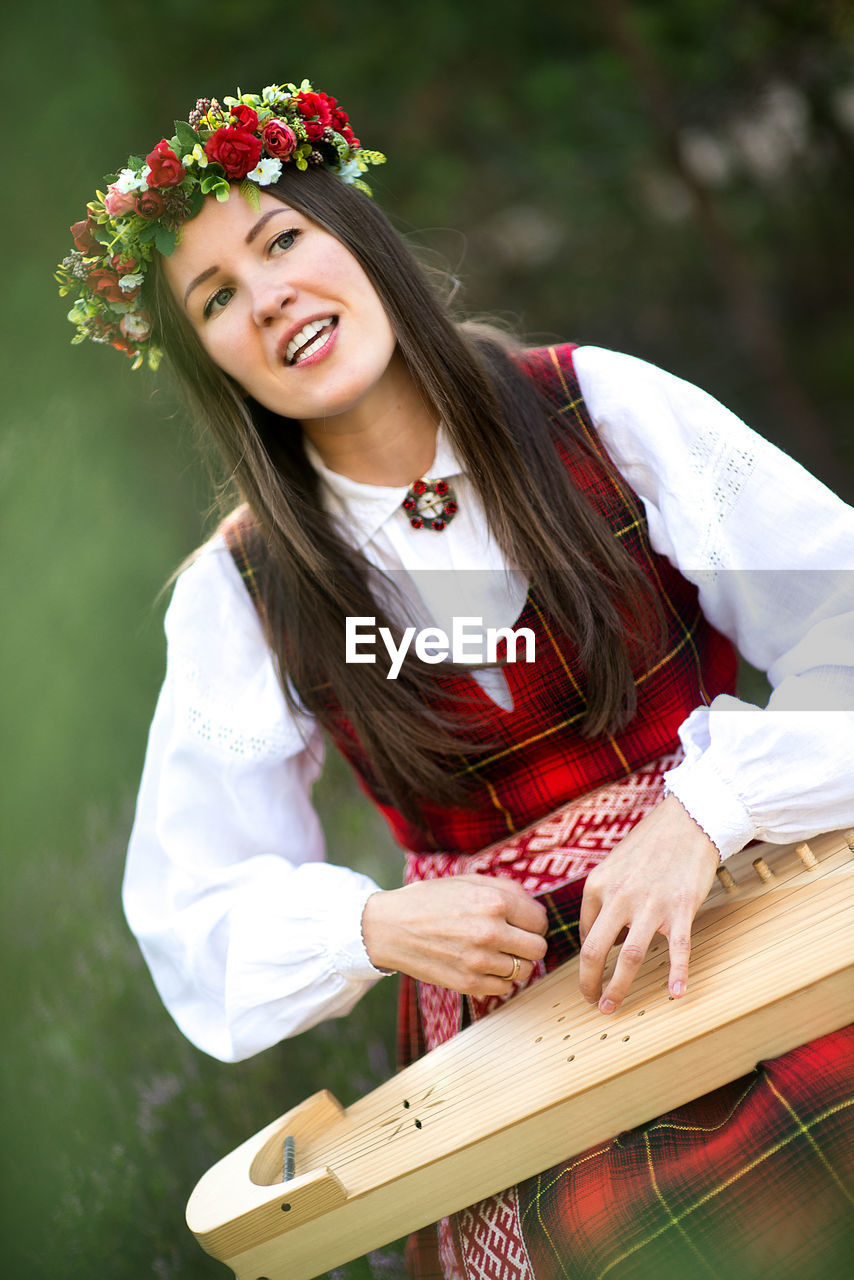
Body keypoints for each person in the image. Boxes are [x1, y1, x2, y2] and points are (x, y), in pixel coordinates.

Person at [58, 80, 854, 1279]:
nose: (267, 295)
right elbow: (188, 904)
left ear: (355, 237)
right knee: (613, 1234)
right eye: (216, 297)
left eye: (281, 239)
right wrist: (371, 921)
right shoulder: (244, 591)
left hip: (751, 889)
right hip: (526, 1018)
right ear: (208, 358)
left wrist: (702, 810)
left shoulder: (595, 406)